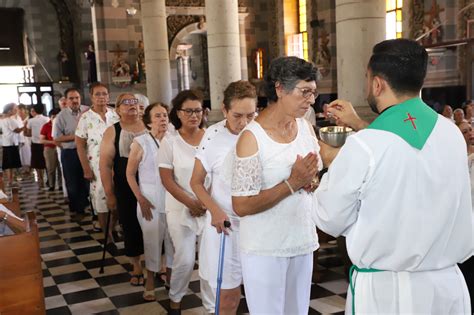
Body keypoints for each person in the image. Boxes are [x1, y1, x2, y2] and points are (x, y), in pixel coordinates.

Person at [313, 38, 473, 314]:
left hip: (387, 294)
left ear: (377, 84)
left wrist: (330, 166)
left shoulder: (364, 146)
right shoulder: (451, 133)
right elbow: (406, 159)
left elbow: (330, 219)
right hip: (446, 287)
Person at [230, 56, 321, 314]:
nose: (311, 100)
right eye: (305, 92)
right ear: (280, 88)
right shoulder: (252, 138)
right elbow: (241, 205)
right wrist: (292, 183)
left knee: (298, 311)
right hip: (265, 248)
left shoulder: (305, 128)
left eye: (313, 93)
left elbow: (312, 174)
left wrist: (310, 181)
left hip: (301, 239)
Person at [190, 80, 257, 315]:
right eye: (237, 115)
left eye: (250, 114)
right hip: (225, 226)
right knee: (227, 297)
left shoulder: (260, 131)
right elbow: (195, 182)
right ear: (224, 109)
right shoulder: (213, 135)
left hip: (257, 224)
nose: (244, 123)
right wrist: (215, 211)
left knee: (260, 293)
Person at [158, 90, 214, 314]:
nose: (194, 115)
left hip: (208, 206)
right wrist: (191, 203)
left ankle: (211, 306)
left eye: (198, 110)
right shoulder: (170, 142)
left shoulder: (211, 138)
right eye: (188, 111)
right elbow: (167, 180)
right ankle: (175, 298)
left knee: (210, 258)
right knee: (185, 258)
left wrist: (204, 202)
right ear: (178, 113)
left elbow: (217, 173)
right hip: (179, 205)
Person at [126, 102, 174, 301]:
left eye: (164, 115)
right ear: (148, 121)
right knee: (152, 242)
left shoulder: (174, 139)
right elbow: (129, 174)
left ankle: (171, 280)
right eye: (157, 116)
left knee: (173, 242)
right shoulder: (141, 142)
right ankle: (150, 281)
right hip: (150, 200)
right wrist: (141, 198)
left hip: (172, 199)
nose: (162, 119)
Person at [100, 93, 146, 286]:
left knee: (156, 224)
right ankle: (136, 264)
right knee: (130, 223)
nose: (131, 105)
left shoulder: (148, 126)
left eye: (134, 102)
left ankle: (157, 264)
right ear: (117, 109)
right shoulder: (113, 131)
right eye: (125, 102)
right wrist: (109, 194)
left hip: (150, 183)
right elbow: (105, 165)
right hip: (125, 186)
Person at [76, 82, 119, 243]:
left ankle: (113, 226)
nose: (101, 97)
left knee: (117, 198)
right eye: (97, 94)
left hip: (116, 163)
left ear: (108, 96)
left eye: (104, 94)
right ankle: (107, 236)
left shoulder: (115, 115)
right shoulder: (86, 117)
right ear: (91, 97)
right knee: (101, 199)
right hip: (96, 165)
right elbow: (79, 144)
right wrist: (86, 168)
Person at [53, 88, 89, 217]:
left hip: (86, 151)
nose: (75, 101)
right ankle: (76, 208)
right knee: (72, 181)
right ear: (66, 101)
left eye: (77, 98)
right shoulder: (61, 116)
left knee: (87, 179)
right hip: (70, 152)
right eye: (71, 98)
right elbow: (57, 137)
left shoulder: (87, 111)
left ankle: (86, 204)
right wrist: (77, 136)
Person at [457, 120, 474, 313]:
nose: (469, 134)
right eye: (464, 131)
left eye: (470, 130)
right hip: (462, 234)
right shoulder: (455, 162)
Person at [26, 104, 49, 187]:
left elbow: (28, 133)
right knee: (46, 161)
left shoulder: (31, 121)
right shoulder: (47, 119)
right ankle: (49, 179)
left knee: (37, 162)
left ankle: (40, 179)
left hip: (35, 143)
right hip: (46, 142)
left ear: (35, 111)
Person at [1, 103, 24, 187]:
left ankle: (10, 180)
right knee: (12, 163)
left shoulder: (2, 119)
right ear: (10, 110)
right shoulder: (10, 120)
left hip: (6, 143)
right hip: (12, 143)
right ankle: (11, 180)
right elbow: (17, 130)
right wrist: (25, 126)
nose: (16, 110)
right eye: (15, 109)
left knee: (8, 164)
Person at [40, 108, 62, 191]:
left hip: (60, 147)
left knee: (60, 168)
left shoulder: (61, 124)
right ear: (50, 117)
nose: (55, 118)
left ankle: (60, 185)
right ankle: (51, 185)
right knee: (51, 168)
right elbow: (41, 140)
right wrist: (52, 142)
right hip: (49, 148)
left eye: (57, 116)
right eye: (53, 117)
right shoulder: (46, 126)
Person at [16, 104, 31, 176]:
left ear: (25, 110)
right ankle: (24, 168)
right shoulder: (17, 118)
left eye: (21, 110)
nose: (20, 112)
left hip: (28, 136)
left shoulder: (28, 118)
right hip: (20, 137)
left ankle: (29, 167)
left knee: (28, 152)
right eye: (18, 110)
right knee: (22, 153)